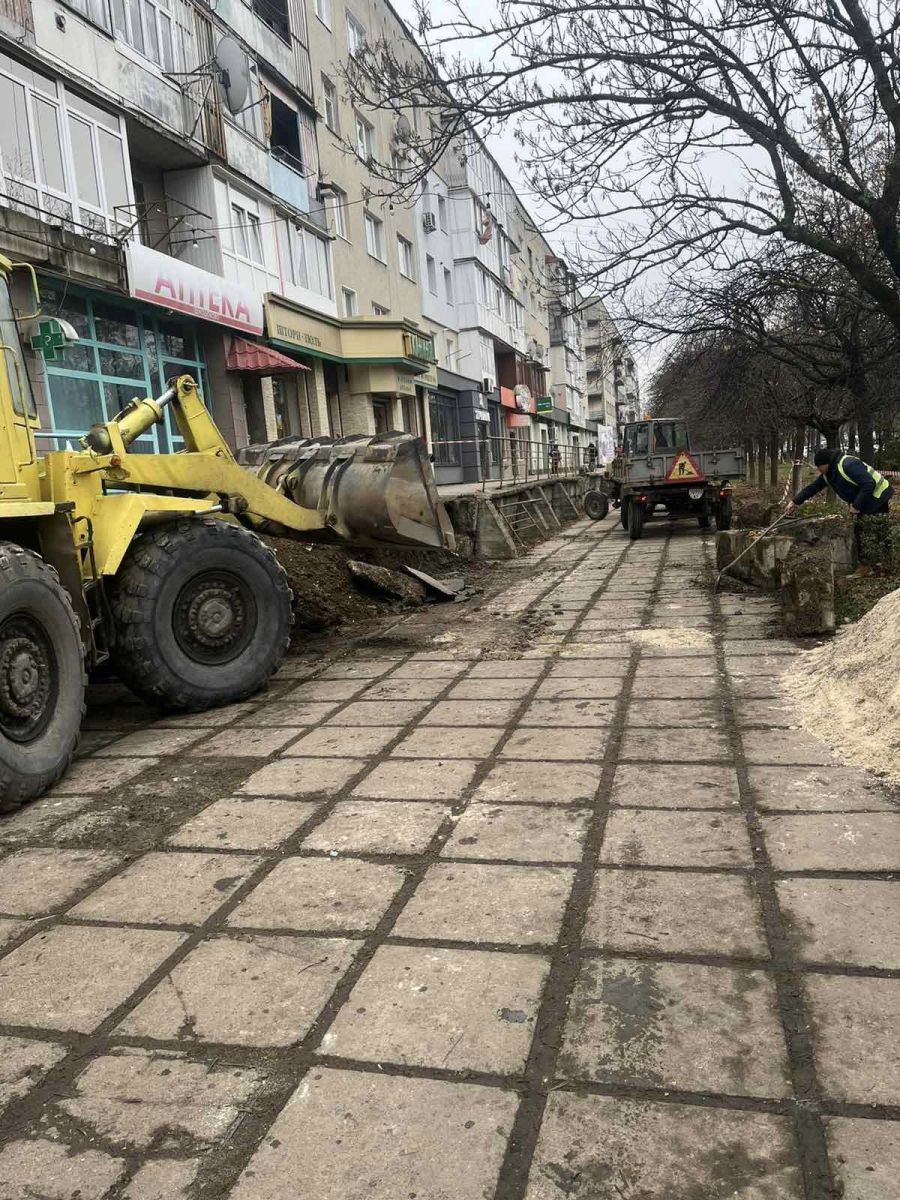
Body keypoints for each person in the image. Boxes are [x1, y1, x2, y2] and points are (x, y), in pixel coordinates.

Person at [788, 447, 894, 516]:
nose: (818, 469)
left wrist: (856, 506)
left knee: (876, 532)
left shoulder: (848, 464)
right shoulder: (829, 474)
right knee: (862, 531)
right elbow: (813, 488)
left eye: (818, 466)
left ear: (825, 464)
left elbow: (868, 484)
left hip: (879, 496)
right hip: (866, 499)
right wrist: (795, 501)